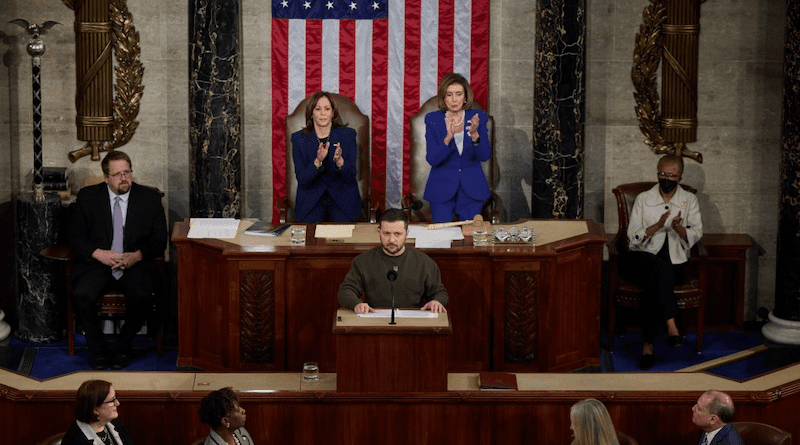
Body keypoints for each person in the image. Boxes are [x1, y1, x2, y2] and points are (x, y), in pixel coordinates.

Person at [68, 150, 168, 370]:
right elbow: (75, 236)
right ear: (106, 177)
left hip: (134, 263)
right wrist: (98, 253)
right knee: (81, 294)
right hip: (99, 263)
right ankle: (98, 350)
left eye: (127, 172)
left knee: (142, 294)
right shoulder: (88, 197)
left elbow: (160, 239)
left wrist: (137, 255)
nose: (124, 178)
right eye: (118, 174)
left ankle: (123, 347)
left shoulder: (149, 198)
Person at [623, 154, 702, 370]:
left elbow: (697, 232)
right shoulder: (643, 199)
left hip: (675, 262)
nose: (666, 178)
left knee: (655, 280)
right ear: (657, 173)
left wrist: (678, 228)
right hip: (642, 258)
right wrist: (657, 226)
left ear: (680, 176)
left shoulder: (689, 200)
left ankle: (647, 345)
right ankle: (672, 326)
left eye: (671, 175)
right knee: (656, 269)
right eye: (662, 174)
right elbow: (633, 236)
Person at [338, 208, 448, 314]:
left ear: (407, 233)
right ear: (379, 232)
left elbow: (439, 293)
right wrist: (357, 304)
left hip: (413, 322)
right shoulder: (363, 261)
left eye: (397, 234)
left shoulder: (424, 262)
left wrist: (436, 301)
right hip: (374, 319)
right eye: (386, 233)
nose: (391, 240)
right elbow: (346, 290)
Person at [423, 72, 492, 223]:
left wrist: (474, 135)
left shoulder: (478, 117)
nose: (454, 99)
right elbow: (433, 159)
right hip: (441, 188)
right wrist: (447, 138)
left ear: (465, 96)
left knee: (469, 239)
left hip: (472, 188)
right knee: (442, 238)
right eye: (449, 94)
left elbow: (485, 155)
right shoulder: (433, 119)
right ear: (443, 97)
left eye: (458, 94)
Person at [291, 91, 362, 223]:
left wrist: (340, 161)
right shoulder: (298, 139)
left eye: (327, 109)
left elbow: (351, 174)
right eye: (317, 109)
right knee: (310, 238)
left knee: (342, 238)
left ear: (333, 112)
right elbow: (302, 179)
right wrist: (317, 162)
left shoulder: (348, 135)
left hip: (342, 197)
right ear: (311, 113)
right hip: (311, 198)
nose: (323, 113)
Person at [61, 379, 136, 445]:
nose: (117, 403)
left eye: (115, 398)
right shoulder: (75, 440)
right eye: (112, 400)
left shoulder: (115, 425)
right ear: (95, 409)